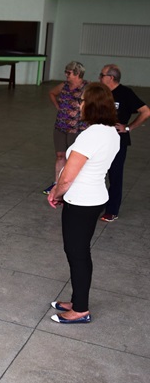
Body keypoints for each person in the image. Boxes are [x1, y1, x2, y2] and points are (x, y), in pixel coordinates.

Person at [47, 83, 120, 324]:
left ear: (92, 105)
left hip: (81, 201)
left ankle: (80, 310)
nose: (79, 105)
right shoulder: (111, 132)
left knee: (77, 253)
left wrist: (56, 192)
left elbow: (68, 176)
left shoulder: (91, 135)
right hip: (94, 197)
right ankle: (77, 300)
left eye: (82, 101)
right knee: (79, 251)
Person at [98, 64, 150, 222]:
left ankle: (112, 210)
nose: (99, 77)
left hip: (117, 140)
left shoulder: (126, 93)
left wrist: (128, 127)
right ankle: (97, 203)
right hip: (99, 138)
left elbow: (146, 111)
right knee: (98, 172)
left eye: (102, 75)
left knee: (115, 174)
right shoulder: (100, 92)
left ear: (111, 78)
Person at [44, 61, 88, 195]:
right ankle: (56, 183)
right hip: (61, 126)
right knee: (60, 155)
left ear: (77, 73)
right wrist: (58, 107)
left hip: (77, 128)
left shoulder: (87, 88)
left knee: (73, 157)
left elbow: (94, 104)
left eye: (68, 72)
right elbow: (52, 93)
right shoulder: (64, 86)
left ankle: (70, 185)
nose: (66, 75)